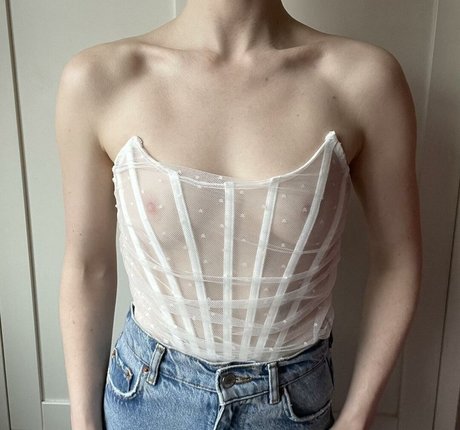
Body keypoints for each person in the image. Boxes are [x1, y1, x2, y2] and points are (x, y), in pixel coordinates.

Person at [56, 0, 422, 429]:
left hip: (291, 406)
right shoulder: (99, 79)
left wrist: (358, 416)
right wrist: (83, 422)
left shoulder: (364, 80)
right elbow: (88, 266)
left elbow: (397, 260)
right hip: (146, 398)